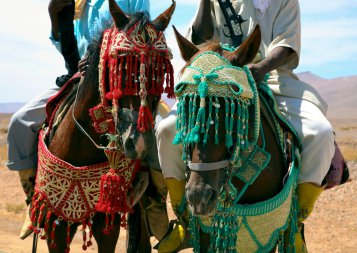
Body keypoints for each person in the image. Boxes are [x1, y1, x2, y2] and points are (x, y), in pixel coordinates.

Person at [156, 0, 335, 252]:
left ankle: (295, 222)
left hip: (272, 78)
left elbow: (287, 44)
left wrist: (261, 67)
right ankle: (184, 218)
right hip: (218, 80)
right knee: (166, 130)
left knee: (320, 133)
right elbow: (198, 40)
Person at [6, 0, 152, 240]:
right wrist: (54, 16)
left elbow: (141, 31)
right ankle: (34, 199)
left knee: (159, 131)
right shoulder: (78, 2)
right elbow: (65, 42)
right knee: (19, 122)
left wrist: (104, 55)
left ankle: (156, 208)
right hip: (78, 77)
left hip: (122, 80)